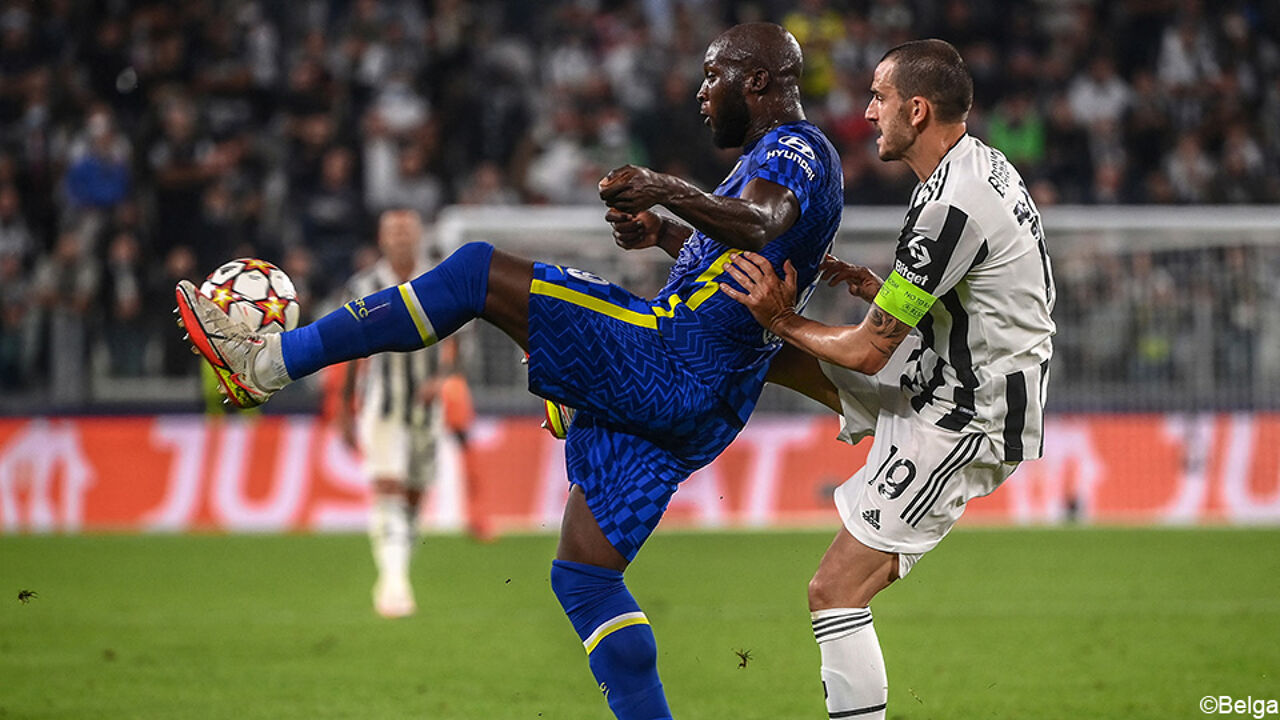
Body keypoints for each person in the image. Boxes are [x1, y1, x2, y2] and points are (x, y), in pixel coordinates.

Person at [174, 23, 844, 720]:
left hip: (666, 360)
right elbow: (739, 260)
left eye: (713, 76)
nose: (703, 93)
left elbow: (761, 222)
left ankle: (268, 362)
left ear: (756, 81)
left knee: (475, 273)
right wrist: (666, 233)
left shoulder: (795, 147)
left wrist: (663, 187)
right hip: (706, 402)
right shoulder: (769, 163)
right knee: (585, 576)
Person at [720, 39, 1056, 719]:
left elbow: (869, 352)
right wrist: (883, 290)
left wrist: (783, 317)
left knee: (834, 590)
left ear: (918, 108)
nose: (868, 111)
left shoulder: (951, 205)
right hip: (940, 370)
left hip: (968, 415)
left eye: (879, 97)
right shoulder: (977, 167)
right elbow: (983, 287)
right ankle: (617, 398)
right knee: (764, 348)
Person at [334, 208, 462, 618]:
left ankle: (395, 574)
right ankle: (394, 584)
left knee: (413, 494)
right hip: (381, 403)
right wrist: (343, 407)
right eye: (394, 231)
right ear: (382, 238)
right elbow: (346, 350)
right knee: (387, 486)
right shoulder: (363, 285)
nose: (402, 238)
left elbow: (461, 342)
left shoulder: (439, 281)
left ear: (420, 235)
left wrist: (442, 378)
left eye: (408, 231)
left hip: (427, 406)